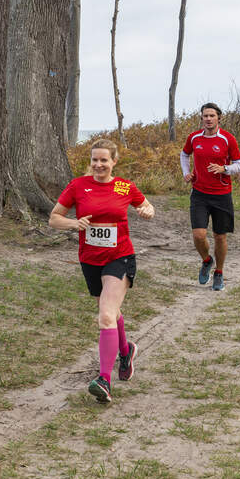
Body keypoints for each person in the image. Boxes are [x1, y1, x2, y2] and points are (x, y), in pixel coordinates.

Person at [51, 139, 155, 403]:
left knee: (106, 316)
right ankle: (125, 349)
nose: (99, 165)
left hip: (120, 257)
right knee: (109, 311)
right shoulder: (78, 186)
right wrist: (74, 223)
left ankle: (104, 380)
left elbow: (147, 205)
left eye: (104, 160)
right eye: (94, 160)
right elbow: (54, 218)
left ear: (114, 162)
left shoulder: (124, 186)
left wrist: (146, 211)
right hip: (90, 259)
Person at [180, 102, 240, 291]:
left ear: (219, 118)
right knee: (199, 235)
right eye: (205, 116)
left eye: (211, 116)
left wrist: (224, 168)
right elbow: (184, 155)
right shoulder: (194, 138)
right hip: (199, 193)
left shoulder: (227, 139)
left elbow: (239, 165)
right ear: (201, 118)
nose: (208, 119)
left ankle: (219, 272)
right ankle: (207, 260)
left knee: (220, 237)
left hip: (222, 194)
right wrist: (186, 173)